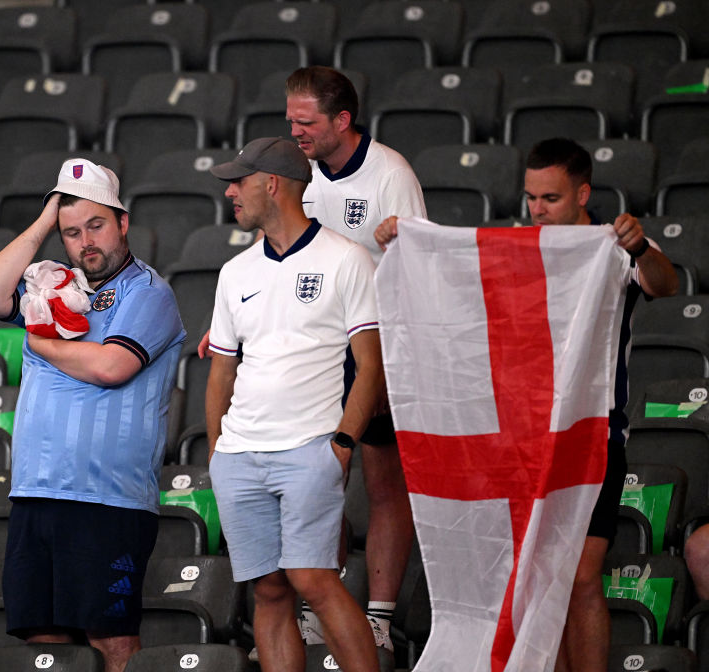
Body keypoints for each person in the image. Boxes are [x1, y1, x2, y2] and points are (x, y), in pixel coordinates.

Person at [376, 137, 678, 672]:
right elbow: (457, 281)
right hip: (520, 436)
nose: (537, 209)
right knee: (539, 577)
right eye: (532, 197)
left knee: (581, 577)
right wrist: (409, 241)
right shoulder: (518, 244)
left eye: (551, 198)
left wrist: (641, 249)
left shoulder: (614, 245)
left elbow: (664, 283)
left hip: (593, 434)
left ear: (583, 192)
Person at [0, 158, 186, 672]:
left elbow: (112, 366)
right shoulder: (53, 290)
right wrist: (45, 221)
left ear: (123, 223)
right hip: (35, 491)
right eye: (71, 233)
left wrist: (38, 343)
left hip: (107, 499)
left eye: (96, 225)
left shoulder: (149, 291)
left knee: (111, 640)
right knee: (44, 645)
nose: (86, 241)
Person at [205, 136, 387, 672]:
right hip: (240, 456)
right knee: (268, 590)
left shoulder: (347, 258)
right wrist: (218, 450)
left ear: (273, 184)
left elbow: (371, 367)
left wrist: (343, 443)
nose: (231, 192)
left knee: (313, 580)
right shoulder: (234, 273)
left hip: (311, 448)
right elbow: (221, 371)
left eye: (239, 181)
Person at [286, 64, 425, 652]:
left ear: (342, 120)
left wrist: (404, 241)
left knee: (383, 483)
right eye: (290, 118)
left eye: (305, 121)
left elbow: (427, 267)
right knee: (317, 481)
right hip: (315, 352)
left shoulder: (390, 173)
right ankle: (323, 604)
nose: (294, 131)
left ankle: (379, 619)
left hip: (382, 347)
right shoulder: (296, 174)